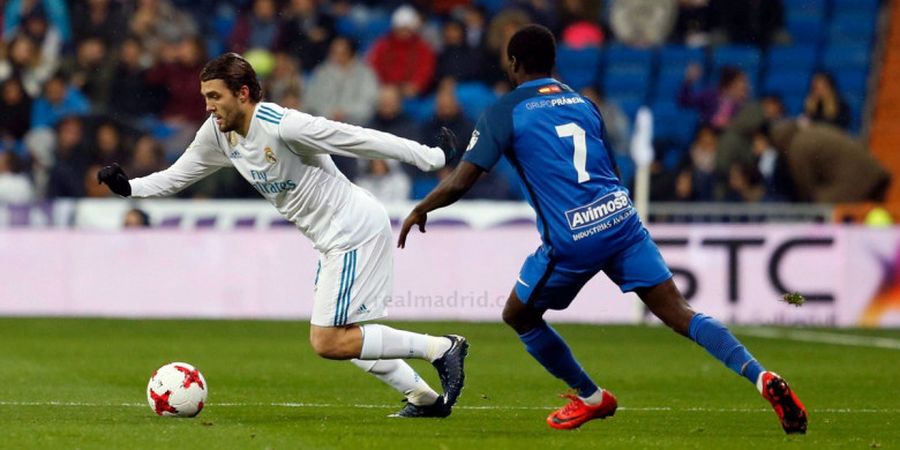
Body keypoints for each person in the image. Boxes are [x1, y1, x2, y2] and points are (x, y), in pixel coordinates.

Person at [399, 24, 807, 433]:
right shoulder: (583, 103)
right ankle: (761, 376)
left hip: (573, 238)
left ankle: (592, 397)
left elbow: (463, 179)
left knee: (519, 315)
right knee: (681, 312)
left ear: (514, 64)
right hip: (622, 220)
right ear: (553, 62)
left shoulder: (503, 111)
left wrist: (422, 207)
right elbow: (610, 170)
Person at [96, 52, 468, 418]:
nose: (208, 106)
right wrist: (129, 188)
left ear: (242, 93)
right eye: (205, 97)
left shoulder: (281, 125)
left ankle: (441, 348)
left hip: (352, 229)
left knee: (329, 340)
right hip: (330, 239)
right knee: (343, 334)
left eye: (215, 96)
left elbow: (355, 138)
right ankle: (422, 396)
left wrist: (431, 157)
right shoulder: (218, 134)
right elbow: (177, 176)